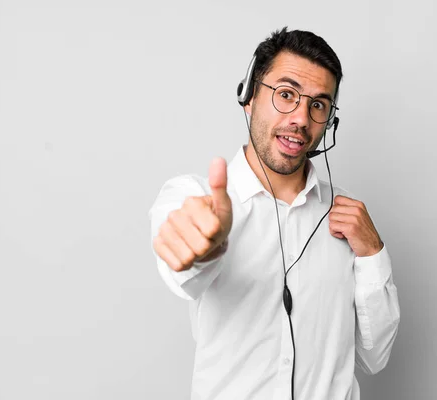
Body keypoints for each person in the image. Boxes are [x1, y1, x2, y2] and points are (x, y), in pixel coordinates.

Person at [148, 27, 400, 400]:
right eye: (286, 95)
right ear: (249, 96)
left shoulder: (348, 219)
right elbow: (182, 268)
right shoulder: (197, 198)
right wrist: (201, 250)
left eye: (318, 104)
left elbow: (374, 356)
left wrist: (373, 254)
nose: (301, 118)